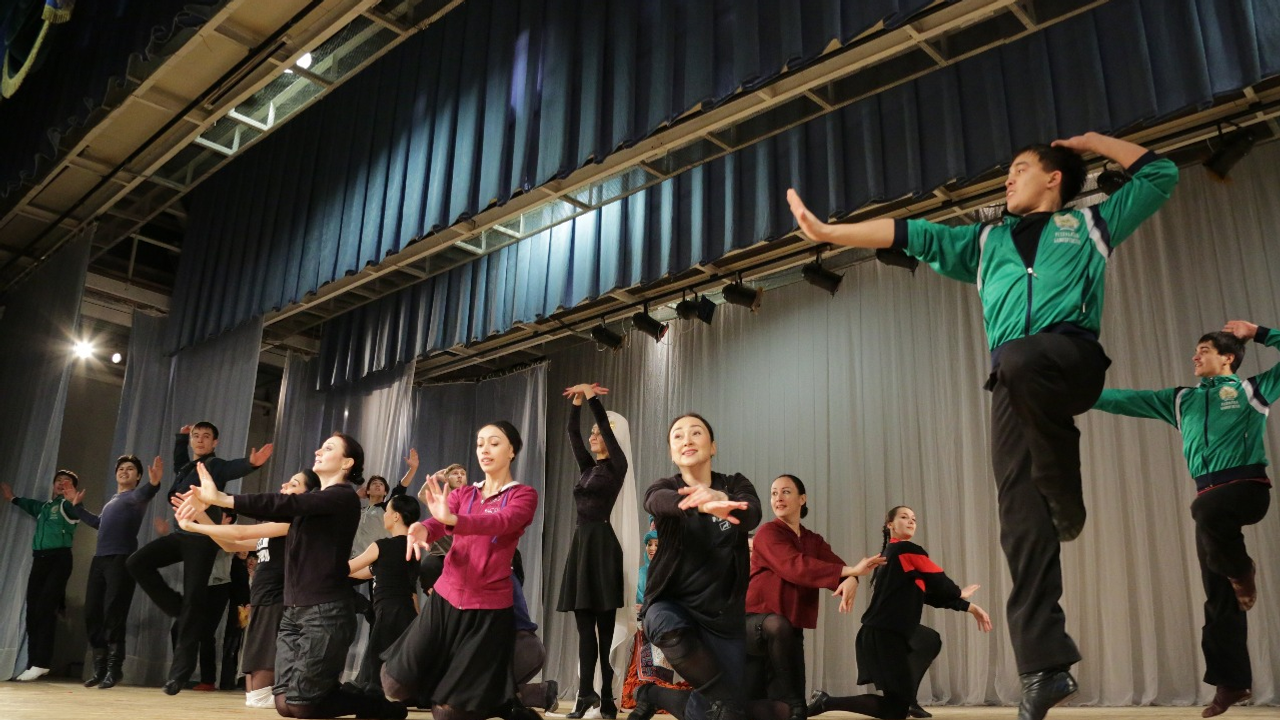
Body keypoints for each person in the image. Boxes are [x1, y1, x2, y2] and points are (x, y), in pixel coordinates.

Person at [787, 132, 1179, 719]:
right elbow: (913, 234)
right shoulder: (985, 240)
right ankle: (1045, 667)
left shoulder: (1091, 224)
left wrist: (1090, 142)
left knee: (1020, 358)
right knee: (1019, 521)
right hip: (1011, 385)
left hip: (1071, 359)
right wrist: (830, 232)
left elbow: (1161, 175)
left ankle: (1065, 494)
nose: (1008, 178)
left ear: (1054, 178)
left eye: (1021, 168)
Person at [1091, 320, 1280, 717]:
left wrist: (1259, 332)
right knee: (1217, 593)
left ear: (1228, 358)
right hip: (1209, 500)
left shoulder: (1251, 391)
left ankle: (1242, 569)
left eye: (1204, 350)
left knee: (1205, 511)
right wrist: (1071, 393)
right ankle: (1232, 682)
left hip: (1246, 489)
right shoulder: (1181, 400)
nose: (1194, 357)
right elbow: (1122, 399)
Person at [177, 432, 404, 719]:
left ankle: (373, 704)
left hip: (325, 612)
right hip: (293, 612)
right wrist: (198, 520)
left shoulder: (342, 496)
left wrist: (223, 498)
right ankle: (339, 694)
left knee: (301, 704)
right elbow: (245, 531)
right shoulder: (308, 509)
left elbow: (283, 506)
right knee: (285, 704)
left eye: (328, 448)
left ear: (347, 462)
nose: (318, 451)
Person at [382, 422, 539, 720]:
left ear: (512, 451)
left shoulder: (523, 495)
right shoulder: (464, 494)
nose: (484, 450)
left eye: (494, 443)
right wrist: (422, 528)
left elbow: (500, 522)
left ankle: (501, 703)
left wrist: (453, 520)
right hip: (446, 598)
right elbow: (437, 522)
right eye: (480, 444)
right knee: (393, 684)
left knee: (448, 714)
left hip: (487, 609)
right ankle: (501, 700)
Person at [127, 421, 272, 695]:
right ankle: (177, 607)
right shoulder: (186, 467)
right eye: (197, 436)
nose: (200, 440)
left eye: (206, 436)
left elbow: (231, 468)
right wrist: (181, 438)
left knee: (194, 599)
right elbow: (179, 460)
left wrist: (251, 463)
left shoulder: (213, 466)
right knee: (136, 562)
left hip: (202, 539)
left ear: (215, 442)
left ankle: (178, 675)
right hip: (182, 534)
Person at [807, 506, 992, 720]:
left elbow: (929, 595)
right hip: (884, 635)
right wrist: (959, 592)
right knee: (895, 710)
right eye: (904, 517)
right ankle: (826, 702)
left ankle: (908, 700)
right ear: (890, 525)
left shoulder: (894, 555)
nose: (911, 521)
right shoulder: (905, 550)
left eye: (914, 518)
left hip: (886, 632)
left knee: (929, 640)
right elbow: (939, 580)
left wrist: (969, 607)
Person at [641, 413, 762, 720]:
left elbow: (752, 513)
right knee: (725, 704)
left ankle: (654, 694)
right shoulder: (665, 487)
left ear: (713, 447)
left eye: (696, 433)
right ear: (672, 453)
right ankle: (723, 702)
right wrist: (696, 502)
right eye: (678, 436)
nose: (687, 440)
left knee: (716, 711)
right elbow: (655, 500)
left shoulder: (735, 484)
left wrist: (720, 499)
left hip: (723, 618)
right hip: (673, 606)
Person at [745, 475, 885, 720]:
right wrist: (850, 572)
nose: (778, 498)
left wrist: (852, 578)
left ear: (802, 499)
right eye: (774, 493)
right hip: (755, 625)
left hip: (788, 632)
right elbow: (795, 567)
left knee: (787, 711)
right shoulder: (767, 533)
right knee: (780, 700)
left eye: (786, 492)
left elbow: (837, 566)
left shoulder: (813, 540)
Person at [179, 469, 320, 709]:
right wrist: (200, 515)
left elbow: (240, 531)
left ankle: (303, 701)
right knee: (255, 696)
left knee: (260, 697)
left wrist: (193, 526)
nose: (284, 485)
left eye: (294, 484)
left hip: (277, 602)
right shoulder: (274, 526)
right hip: (262, 601)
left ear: (306, 496)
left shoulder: (292, 522)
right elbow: (230, 544)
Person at [560, 382, 630, 719]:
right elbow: (572, 432)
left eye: (598, 434)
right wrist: (576, 403)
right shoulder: (588, 469)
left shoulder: (617, 466)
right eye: (593, 433)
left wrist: (592, 397)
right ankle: (585, 693)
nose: (593, 436)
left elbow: (604, 426)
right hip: (581, 547)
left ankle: (607, 696)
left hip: (602, 548)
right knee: (584, 629)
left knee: (604, 629)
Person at [73, 455, 163, 689]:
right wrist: (77, 507)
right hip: (100, 560)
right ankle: (99, 667)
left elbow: (147, 493)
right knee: (92, 612)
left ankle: (115, 669)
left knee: (114, 612)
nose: (124, 471)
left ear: (138, 476)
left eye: (130, 469)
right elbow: (98, 523)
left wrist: (154, 484)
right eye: (121, 468)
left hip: (121, 559)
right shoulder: (113, 501)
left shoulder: (134, 497)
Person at [2, 469, 82, 681]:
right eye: (58, 480)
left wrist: (74, 502)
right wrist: (12, 498)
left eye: (67, 481)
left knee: (46, 609)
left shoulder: (67, 506)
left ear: (73, 488)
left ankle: (42, 662)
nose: (61, 483)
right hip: (40, 560)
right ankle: (32, 662)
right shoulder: (45, 506)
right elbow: (30, 505)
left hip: (59, 560)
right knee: (32, 611)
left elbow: (76, 511)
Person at [347, 494, 421, 696]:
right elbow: (370, 572)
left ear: (396, 516)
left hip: (388, 612)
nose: (384, 515)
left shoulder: (382, 546)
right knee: (400, 661)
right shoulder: (413, 547)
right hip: (406, 612)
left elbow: (349, 567)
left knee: (374, 667)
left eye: (387, 511)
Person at [626, 528, 693, 720]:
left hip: (665, 625)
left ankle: (659, 694)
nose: (652, 548)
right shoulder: (641, 572)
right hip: (642, 624)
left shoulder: (672, 570)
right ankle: (648, 691)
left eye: (657, 544)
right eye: (649, 544)